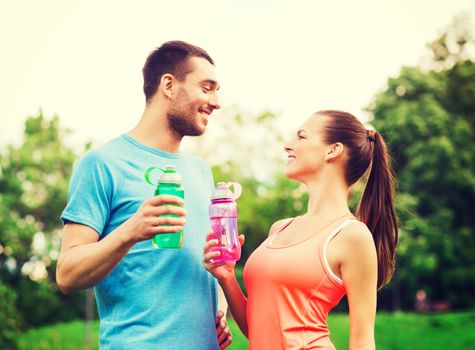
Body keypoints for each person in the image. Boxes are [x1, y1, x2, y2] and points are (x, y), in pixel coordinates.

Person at [57, 40, 232, 349]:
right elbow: (67, 274)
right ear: (168, 85)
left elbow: (199, 259)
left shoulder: (201, 171)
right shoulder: (101, 164)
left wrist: (219, 305)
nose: (217, 102)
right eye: (207, 88)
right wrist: (131, 231)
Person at [204, 110, 399, 349]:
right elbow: (260, 329)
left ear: (332, 150)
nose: (288, 146)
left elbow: (363, 341)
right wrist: (226, 276)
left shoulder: (352, 236)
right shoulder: (280, 228)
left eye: (301, 137)